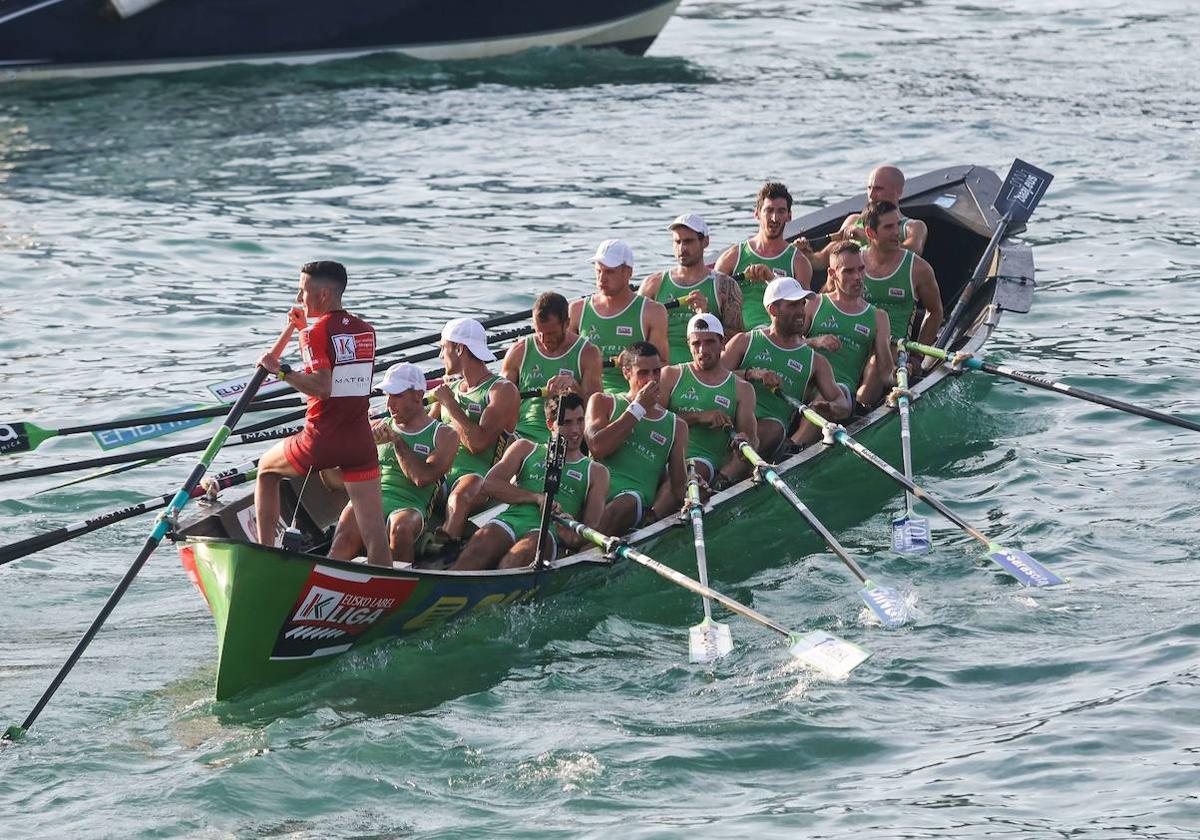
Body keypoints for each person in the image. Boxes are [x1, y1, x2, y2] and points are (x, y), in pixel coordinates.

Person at [255, 260, 390, 567]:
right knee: (374, 534)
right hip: (360, 442)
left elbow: (322, 386)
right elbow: (338, 362)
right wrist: (302, 329)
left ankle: (263, 556)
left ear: (324, 294)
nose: (300, 298)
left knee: (266, 470)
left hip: (321, 441)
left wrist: (282, 372)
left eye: (303, 291)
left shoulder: (314, 334)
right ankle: (382, 589)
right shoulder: (366, 331)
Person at [453, 393, 609, 571]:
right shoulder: (525, 448)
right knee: (475, 551)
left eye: (580, 421)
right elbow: (489, 485)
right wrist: (536, 498)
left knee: (512, 562)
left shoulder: (596, 472)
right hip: (511, 520)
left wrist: (572, 535)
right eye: (567, 423)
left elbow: (592, 528)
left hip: (547, 532)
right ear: (551, 425)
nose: (576, 430)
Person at [328, 362, 458, 567]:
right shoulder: (375, 428)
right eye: (387, 395)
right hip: (370, 498)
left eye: (396, 395)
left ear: (418, 395)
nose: (389, 404)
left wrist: (397, 442)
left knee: (401, 528)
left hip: (410, 505)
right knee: (349, 519)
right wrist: (326, 451)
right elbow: (335, 480)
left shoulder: (444, 435)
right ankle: (329, 577)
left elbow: (422, 478)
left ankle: (397, 585)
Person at [721, 278, 850, 456]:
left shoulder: (816, 361)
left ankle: (725, 479)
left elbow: (843, 403)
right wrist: (751, 373)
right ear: (773, 310)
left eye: (802, 304)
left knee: (772, 429)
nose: (800, 312)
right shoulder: (744, 342)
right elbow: (710, 378)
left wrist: (831, 408)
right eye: (793, 306)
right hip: (728, 422)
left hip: (768, 432)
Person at [428, 317, 520, 548]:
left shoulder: (501, 390)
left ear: (459, 349)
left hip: (477, 478)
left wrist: (450, 405)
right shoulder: (450, 388)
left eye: (443, 348)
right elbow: (424, 430)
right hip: (440, 471)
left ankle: (442, 552)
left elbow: (477, 443)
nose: (440, 356)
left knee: (459, 498)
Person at [585, 341, 689, 536]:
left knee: (625, 503)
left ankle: (581, 549)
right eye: (643, 373)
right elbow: (596, 446)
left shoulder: (677, 426)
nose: (651, 380)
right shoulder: (603, 402)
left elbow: (677, 488)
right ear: (626, 373)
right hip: (592, 491)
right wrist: (638, 409)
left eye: (656, 372)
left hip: (631, 501)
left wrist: (696, 491)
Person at [660, 313, 757, 490]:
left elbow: (752, 441)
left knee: (690, 471)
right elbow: (654, 423)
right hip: (661, 455)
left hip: (701, 460)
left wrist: (744, 442)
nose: (703, 350)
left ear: (722, 343)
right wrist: (698, 417)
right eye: (696, 343)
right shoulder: (670, 375)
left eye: (710, 342)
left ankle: (653, 516)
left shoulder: (743, 389)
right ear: (688, 345)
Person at [639, 214, 744, 362]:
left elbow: (735, 344)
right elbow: (635, 336)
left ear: (705, 242)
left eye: (688, 241)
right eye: (677, 242)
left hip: (704, 368)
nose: (682, 248)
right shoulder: (652, 285)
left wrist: (707, 319)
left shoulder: (725, 286)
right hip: (660, 370)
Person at [502, 291, 603, 444]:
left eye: (551, 333)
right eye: (539, 332)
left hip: (565, 432)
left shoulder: (588, 353)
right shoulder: (519, 351)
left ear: (567, 323)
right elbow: (500, 401)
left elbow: (596, 411)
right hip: (522, 433)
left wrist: (575, 388)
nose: (544, 339)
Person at [569, 238, 669, 391]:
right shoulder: (576, 310)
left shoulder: (652, 312)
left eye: (609, 272)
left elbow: (662, 365)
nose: (602, 278)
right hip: (586, 394)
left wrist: (635, 361)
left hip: (631, 394)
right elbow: (566, 361)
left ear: (628, 272)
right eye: (598, 271)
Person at [804, 242, 894, 410]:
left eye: (860, 269)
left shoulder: (879, 317)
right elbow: (787, 344)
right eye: (849, 271)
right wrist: (815, 342)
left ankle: (796, 438)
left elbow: (886, 373)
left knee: (826, 399)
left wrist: (902, 376)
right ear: (832, 274)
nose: (857, 277)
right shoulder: (814, 303)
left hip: (840, 392)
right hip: (804, 381)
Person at [714, 181, 813, 331]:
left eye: (781, 211)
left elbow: (803, 317)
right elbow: (714, 305)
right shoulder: (732, 258)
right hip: (737, 337)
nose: (774, 218)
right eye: (769, 210)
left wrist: (771, 279)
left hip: (777, 339)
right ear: (757, 213)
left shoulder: (799, 262)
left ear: (789, 216)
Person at [801, 165, 929, 272]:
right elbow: (821, 261)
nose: (872, 195)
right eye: (869, 188)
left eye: (878, 189)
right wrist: (805, 254)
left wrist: (868, 237)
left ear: (898, 191)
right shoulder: (853, 221)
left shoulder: (913, 227)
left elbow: (912, 253)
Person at [860, 199, 942, 354]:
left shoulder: (919, 269)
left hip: (894, 351)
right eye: (889, 227)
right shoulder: (853, 263)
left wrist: (917, 357)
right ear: (870, 233)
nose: (897, 232)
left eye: (897, 225)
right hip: (855, 345)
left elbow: (935, 313)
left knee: (875, 365)